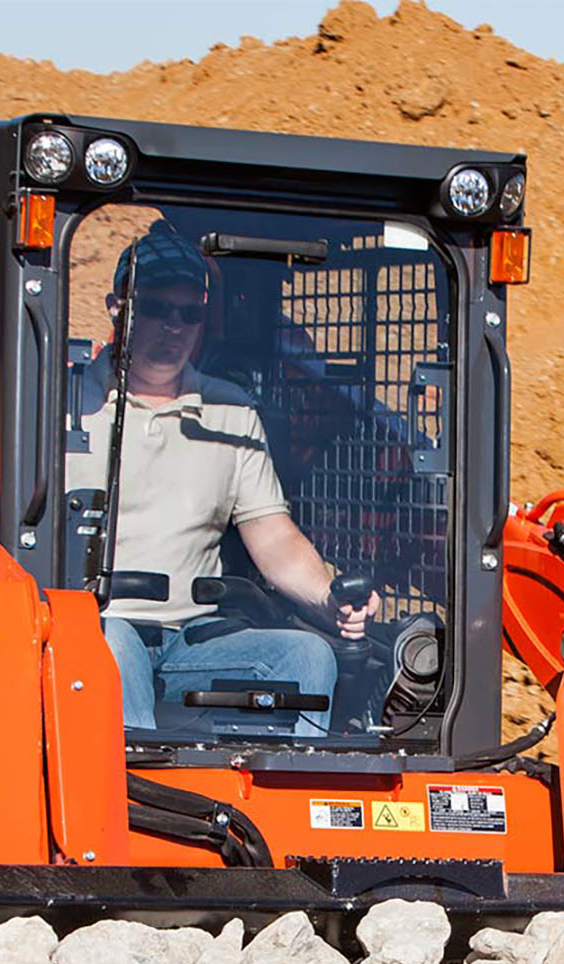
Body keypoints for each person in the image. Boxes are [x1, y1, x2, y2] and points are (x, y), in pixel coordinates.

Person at [69, 221, 379, 737]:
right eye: (157, 308)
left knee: (304, 659)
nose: (174, 327)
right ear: (118, 307)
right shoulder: (67, 402)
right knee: (113, 649)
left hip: (194, 635)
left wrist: (332, 600)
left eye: (189, 314)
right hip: (93, 625)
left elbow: (274, 536)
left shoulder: (231, 411)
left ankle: (279, 808)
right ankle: (137, 806)